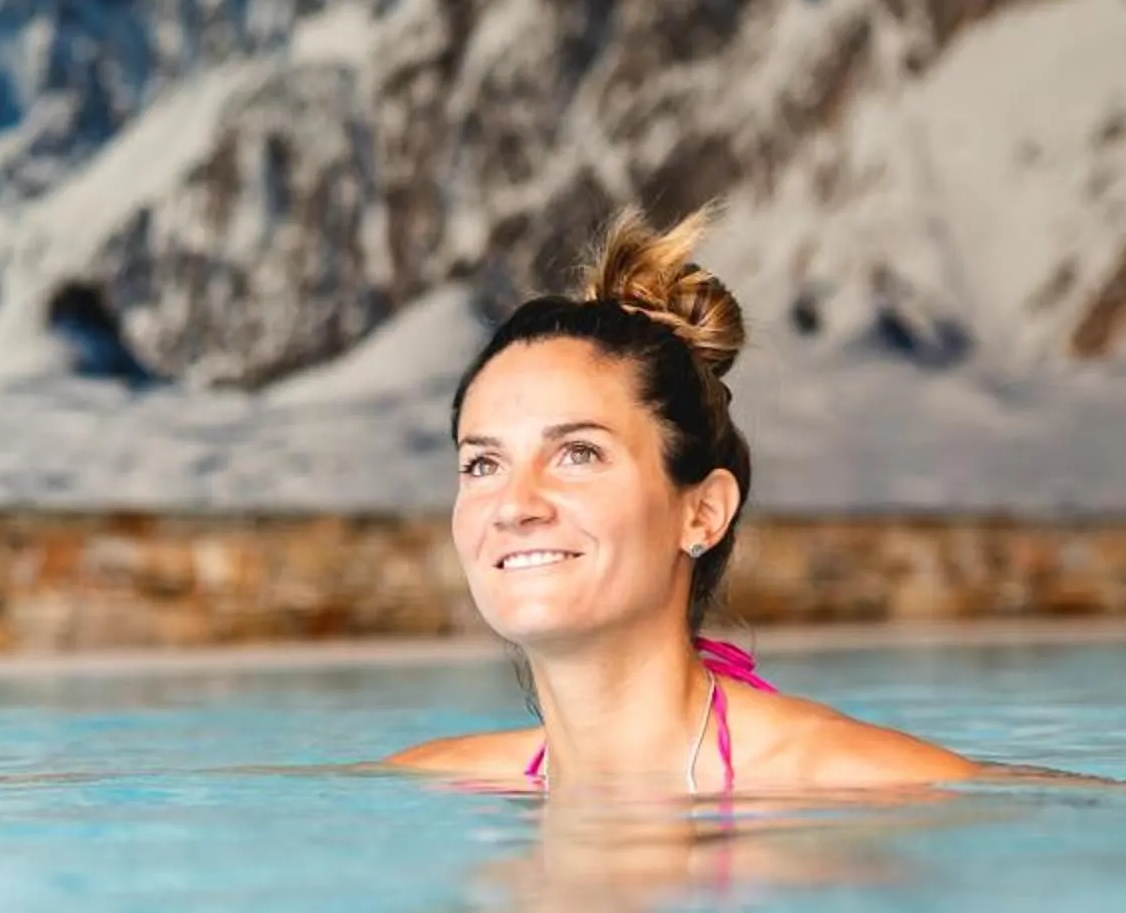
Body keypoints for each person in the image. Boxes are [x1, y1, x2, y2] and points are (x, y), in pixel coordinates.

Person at [390, 204, 976, 797]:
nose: (515, 506)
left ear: (703, 512)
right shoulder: (426, 782)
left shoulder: (868, 785)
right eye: (483, 464)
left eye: (578, 453)